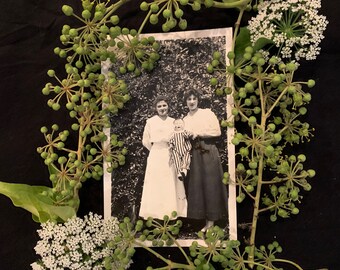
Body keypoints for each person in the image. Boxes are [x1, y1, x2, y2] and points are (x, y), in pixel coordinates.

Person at [183, 89, 228, 232]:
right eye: (188, 99)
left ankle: (212, 222)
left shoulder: (207, 113)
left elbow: (217, 132)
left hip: (208, 149)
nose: (191, 101)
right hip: (194, 153)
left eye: (193, 98)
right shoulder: (185, 119)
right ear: (186, 102)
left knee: (211, 185)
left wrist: (199, 133)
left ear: (198, 100)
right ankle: (204, 220)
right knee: (199, 185)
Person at [139, 96, 187, 220]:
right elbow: (146, 141)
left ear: (168, 106)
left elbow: (179, 139)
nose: (162, 108)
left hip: (170, 154)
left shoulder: (173, 121)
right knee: (156, 185)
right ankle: (154, 217)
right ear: (155, 108)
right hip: (155, 154)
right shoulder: (150, 121)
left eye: (164, 105)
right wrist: (155, 151)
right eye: (159, 106)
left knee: (169, 184)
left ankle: (170, 217)